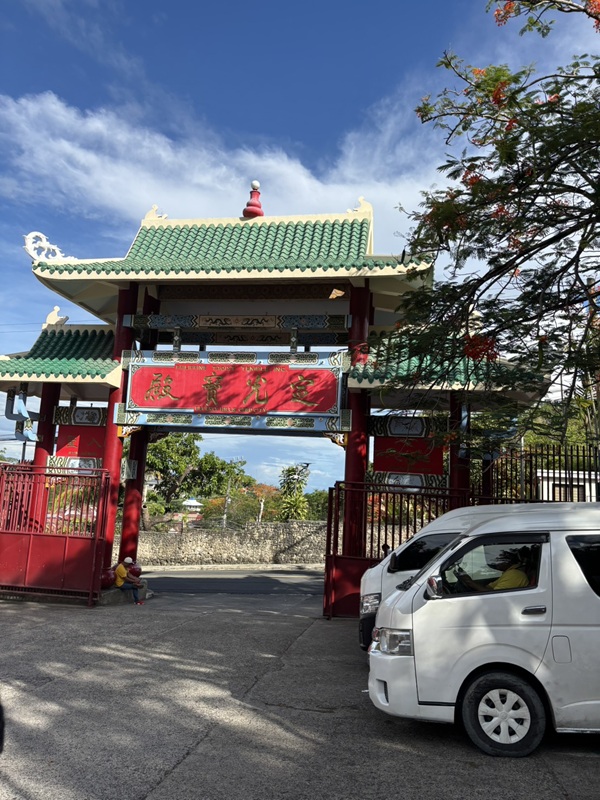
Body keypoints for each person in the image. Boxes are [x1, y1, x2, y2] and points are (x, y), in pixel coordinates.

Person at [454, 551, 529, 592]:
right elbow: (489, 588)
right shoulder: (509, 573)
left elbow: (495, 595)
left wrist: (470, 582)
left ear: (508, 561)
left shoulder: (514, 575)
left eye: (500, 560)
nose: (496, 562)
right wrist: (470, 581)